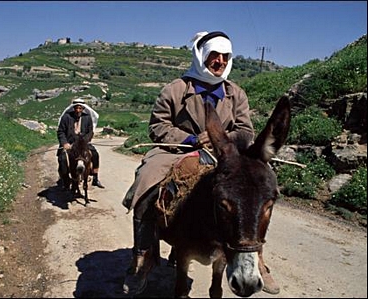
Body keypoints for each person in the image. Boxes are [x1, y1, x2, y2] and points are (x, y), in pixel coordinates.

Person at [121, 31, 280, 295]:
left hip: (225, 154)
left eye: (224, 57)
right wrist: (192, 138)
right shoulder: (177, 88)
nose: (219, 61)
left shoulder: (235, 93)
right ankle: (143, 256)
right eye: (213, 56)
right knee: (146, 178)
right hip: (179, 150)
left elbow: (245, 130)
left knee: (255, 191)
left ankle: (257, 258)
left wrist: (222, 138)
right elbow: (158, 125)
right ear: (201, 56)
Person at [57, 98, 105, 189]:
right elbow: (61, 132)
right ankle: (66, 181)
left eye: (80, 108)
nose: (78, 110)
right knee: (62, 159)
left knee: (94, 154)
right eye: (76, 108)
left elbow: (90, 132)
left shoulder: (87, 118)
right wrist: (64, 143)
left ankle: (95, 177)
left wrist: (84, 141)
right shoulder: (66, 117)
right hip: (69, 143)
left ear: (83, 108)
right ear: (73, 108)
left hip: (83, 143)